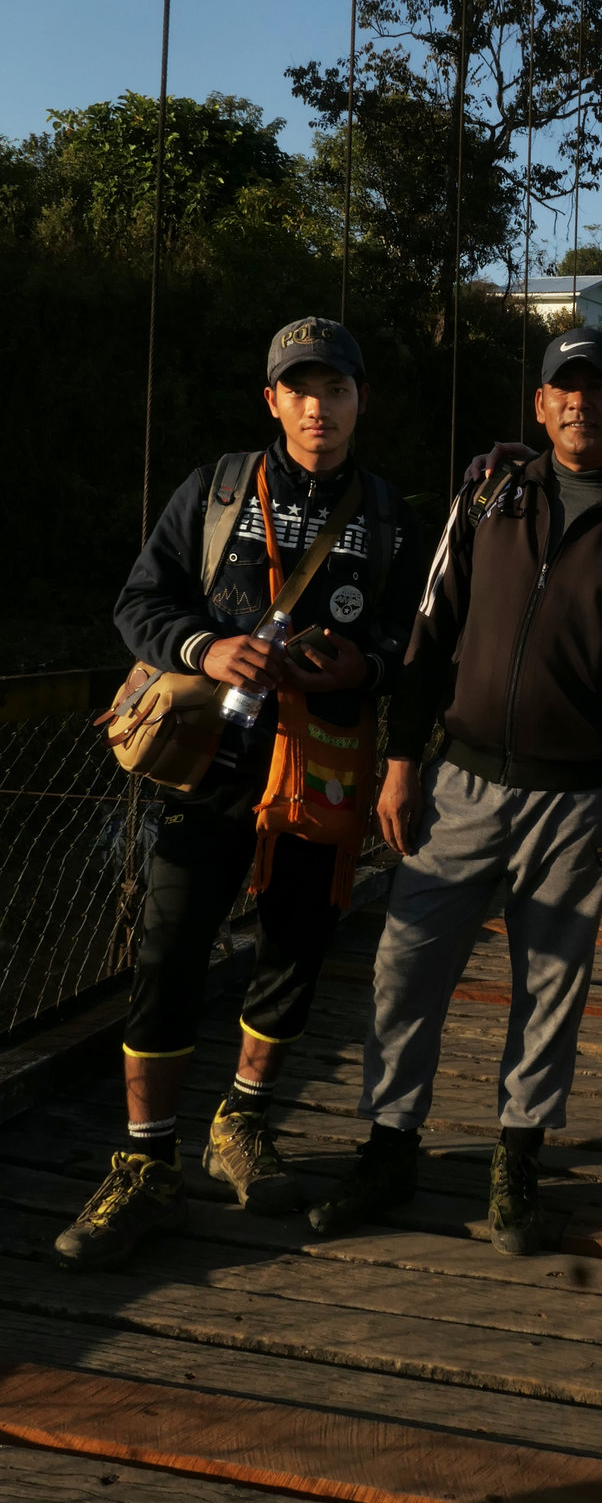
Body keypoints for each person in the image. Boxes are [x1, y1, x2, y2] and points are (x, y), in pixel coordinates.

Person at [309, 327, 602, 1255]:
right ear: (539, 405)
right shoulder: (490, 493)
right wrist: (402, 760)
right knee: (405, 968)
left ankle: (517, 1155)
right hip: (460, 782)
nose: (579, 403)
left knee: (550, 986)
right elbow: (429, 630)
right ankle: (389, 1144)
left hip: (580, 800)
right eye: (564, 388)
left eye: (598, 389)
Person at [56, 317, 426, 1270]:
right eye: (299, 389)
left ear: (360, 400)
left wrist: (366, 666)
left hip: (321, 773)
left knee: (295, 952)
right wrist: (205, 648)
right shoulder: (217, 489)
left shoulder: (390, 514)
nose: (317, 406)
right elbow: (140, 602)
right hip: (207, 768)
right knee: (167, 953)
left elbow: (415, 643)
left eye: (335, 388)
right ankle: (146, 1165)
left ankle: (242, 1123)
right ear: (272, 401)